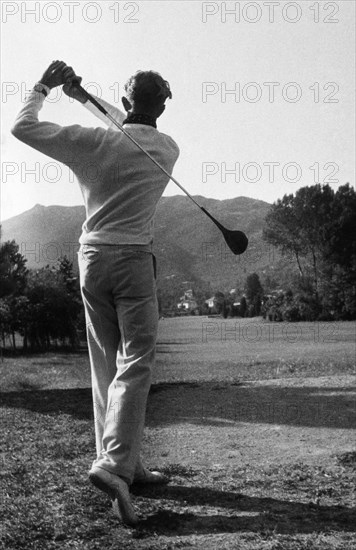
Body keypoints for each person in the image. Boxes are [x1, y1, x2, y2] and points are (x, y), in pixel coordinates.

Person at [11, 60, 180, 526]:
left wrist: (48, 88)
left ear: (126, 101)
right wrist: (83, 96)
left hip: (91, 262)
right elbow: (132, 128)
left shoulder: (92, 143)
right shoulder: (167, 149)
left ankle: (126, 462)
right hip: (132, 262)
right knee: (137, 358)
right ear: (162, 105)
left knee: (106, 360)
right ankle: (113, 464)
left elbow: (22, 127)